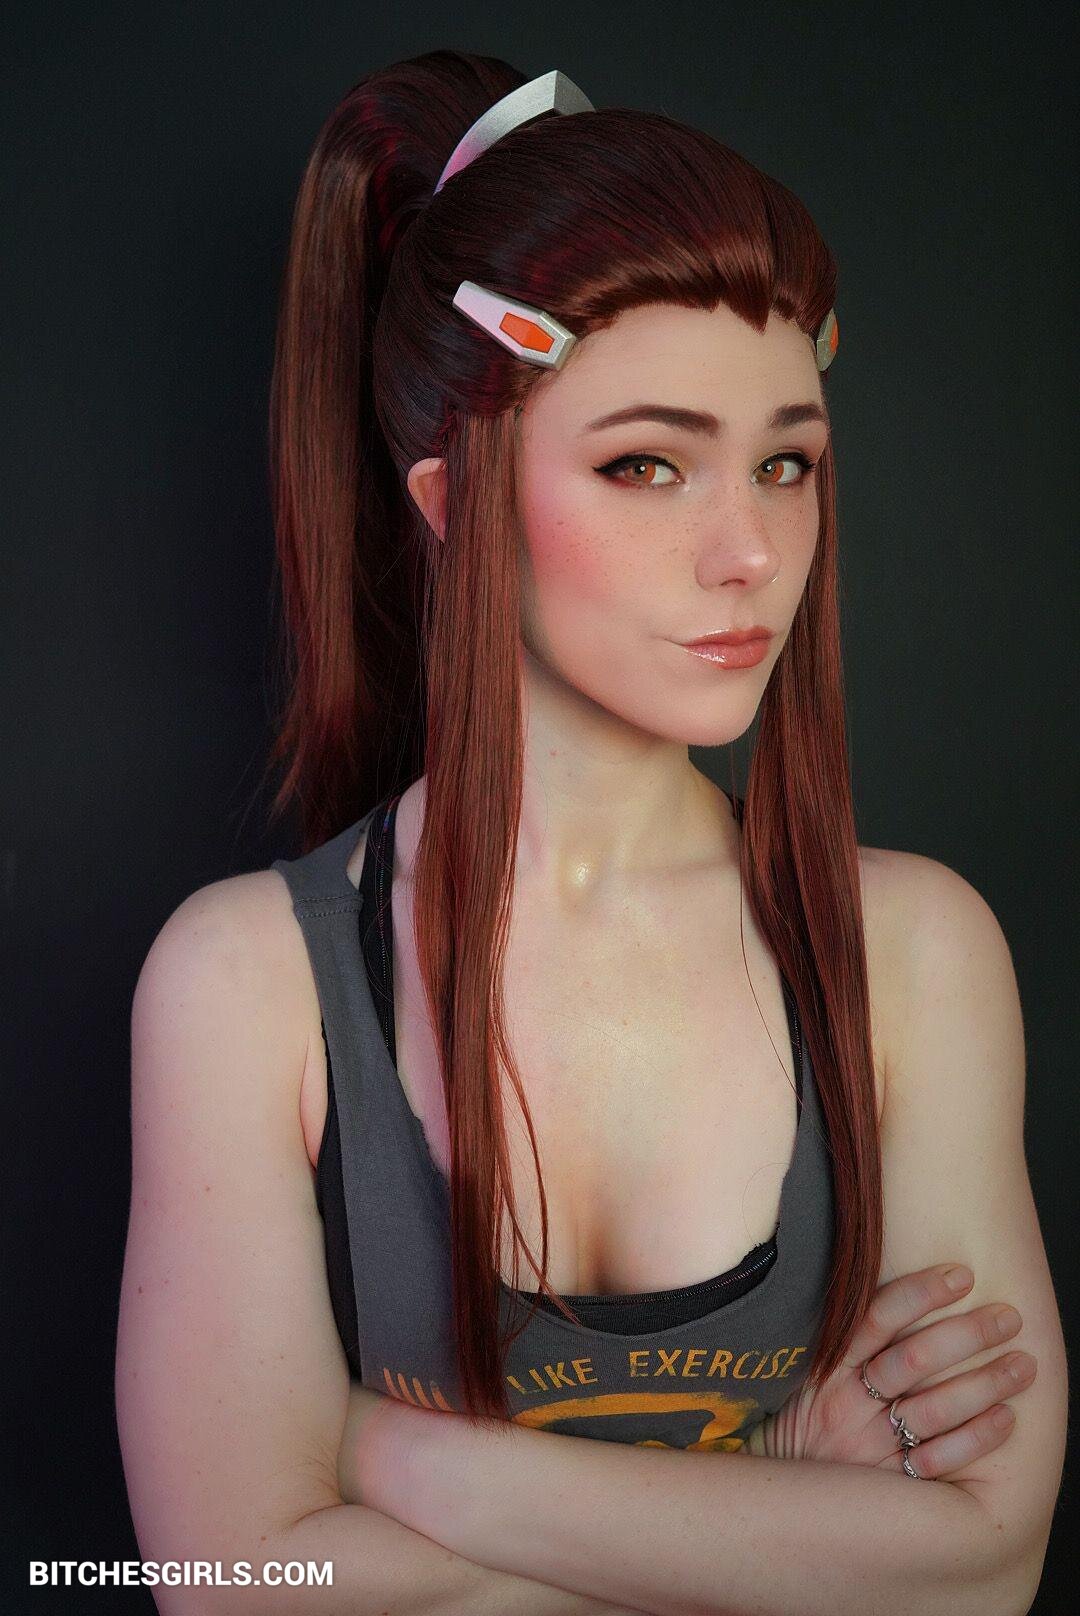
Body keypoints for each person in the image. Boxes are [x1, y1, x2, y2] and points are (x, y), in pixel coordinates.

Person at [116, 51, 1066, 1615]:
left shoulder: (912, 952)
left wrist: (392, 1461)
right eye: (647, 464)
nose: (750, 551)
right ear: (450, 499)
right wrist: (776, 1500)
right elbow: (229, 1582)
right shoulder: (249, 987)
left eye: (786, 463)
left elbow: (976, 1575)